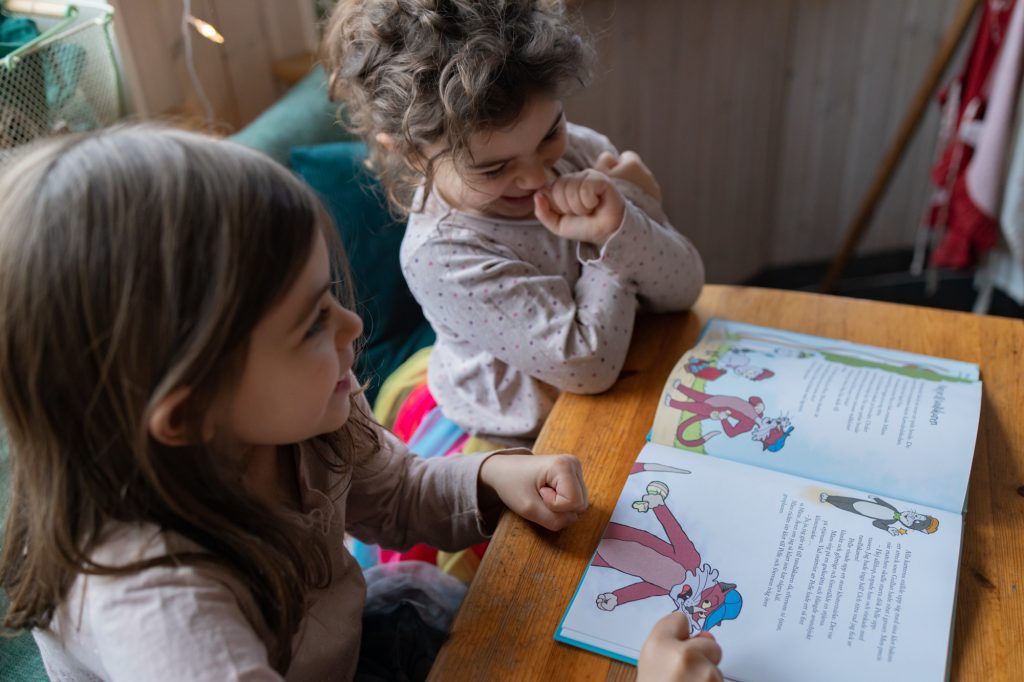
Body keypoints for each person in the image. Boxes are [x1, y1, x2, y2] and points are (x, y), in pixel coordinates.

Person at [0, 126, 590, 681]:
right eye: (311, 323)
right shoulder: (163, 612)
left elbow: (396, 493)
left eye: (328, 296)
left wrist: (493, 479)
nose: (352, 325)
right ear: (187, 413)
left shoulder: (307, 403)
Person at [324, 0, 705, 448]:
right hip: (518, 435)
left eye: (549, 134)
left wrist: (634, 211)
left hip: (636, 373)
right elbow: (587, 366)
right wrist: (606, 244)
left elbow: (685, 289)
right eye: (494, 169)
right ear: (411, 154)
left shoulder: (580, 151)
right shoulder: (439, 254)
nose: (538, 176)